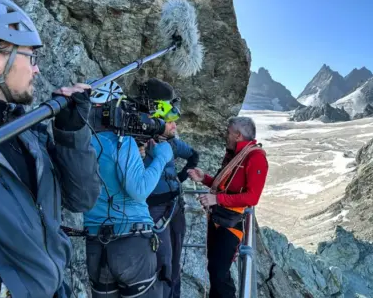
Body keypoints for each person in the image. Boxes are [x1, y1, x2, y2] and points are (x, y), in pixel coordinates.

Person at [0, 0, 101, 297]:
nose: (37, 69)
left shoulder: (28, 133)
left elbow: (81, 199)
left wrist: (71, 133)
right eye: (31, 56)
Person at [83, 79, 175, 298]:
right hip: (131, 243)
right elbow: (139, 189)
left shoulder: (81, 143)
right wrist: (160, 159)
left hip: (96, 243)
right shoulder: (121, 142)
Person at [188, 116, 268, 298]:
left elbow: (252, 197)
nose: (226, 136)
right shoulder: (235, 154)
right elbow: (225, 185)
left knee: (218, 271)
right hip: (219, 218)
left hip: (231, 223)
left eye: (228, 133)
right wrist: (204, 179)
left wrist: (217, 200)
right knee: (215, 269)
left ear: (238, 135)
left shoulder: (255, 158)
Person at [141, 79, 199, 298]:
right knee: (163, 263)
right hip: (156, 210)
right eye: (171, 121)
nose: (175, 126)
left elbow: (194, 155)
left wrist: (180, 179)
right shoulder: (140, 144)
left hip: (173, 206)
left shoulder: (171, 142)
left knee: (173, 263)